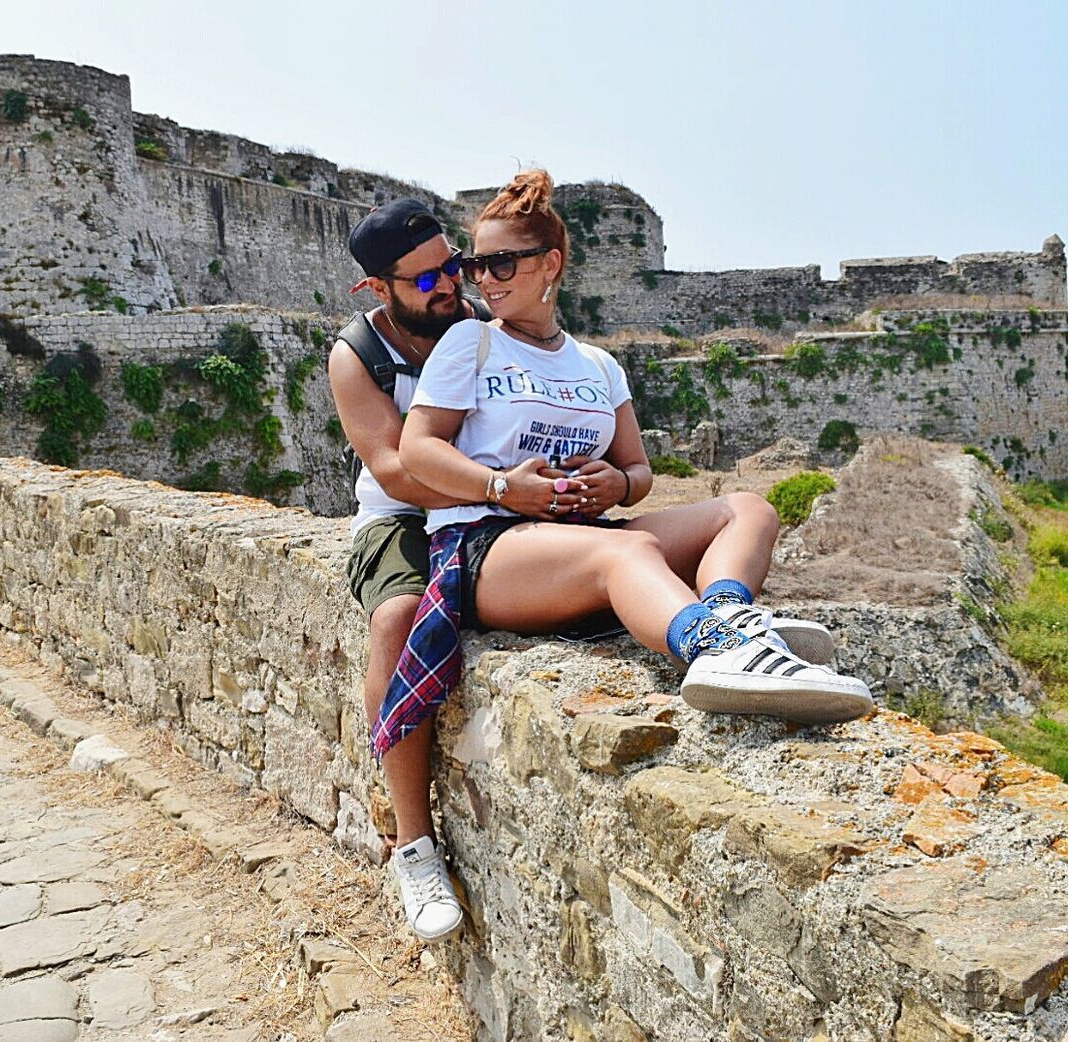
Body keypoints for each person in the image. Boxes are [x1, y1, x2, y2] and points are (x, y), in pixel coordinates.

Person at [378, 170, 872, 774]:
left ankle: (725, 613)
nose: (483, 280)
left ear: (551, 263)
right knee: (630, 551)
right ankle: (716, 651)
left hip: (585, 539)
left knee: (749, 508)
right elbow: (418, 449)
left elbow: (638, 469)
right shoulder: (471, 344)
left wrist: (618, 485)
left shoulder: (599, 364)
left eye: (501, 264)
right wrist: (505, 487)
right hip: (487, 544)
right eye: (477, 266)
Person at [328, 198, 478, 942]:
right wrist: (497, 484)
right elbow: (394, 468)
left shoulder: (483, 324)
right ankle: (413, 846)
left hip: (490, 501)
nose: (447, 286)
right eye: (424, 281)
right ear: (376, 288)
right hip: (401, 515)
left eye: (452, 267)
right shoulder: (358, 356)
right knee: (396, 615)